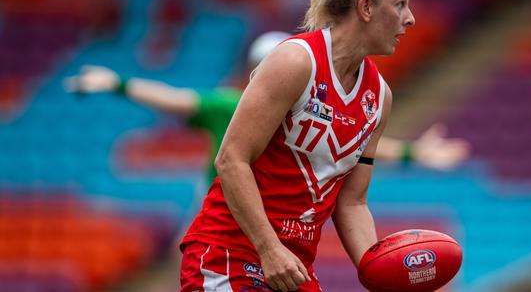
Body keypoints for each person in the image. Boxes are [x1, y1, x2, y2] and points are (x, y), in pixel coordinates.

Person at [175, 0, 425, 292]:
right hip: (230, 253)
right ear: (366, 8)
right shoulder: (295, 61)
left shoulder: (379, 97)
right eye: (400, 4)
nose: (411, 18)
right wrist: (269, 248)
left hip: (292, 269)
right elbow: (231, 159)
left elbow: (352, 202)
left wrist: (380, 274)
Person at [64, 38, 469, 188]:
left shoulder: (312, 111)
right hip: (229, 224)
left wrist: (416, 154)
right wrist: (116, 84)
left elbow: (355, 148)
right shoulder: (227, 105)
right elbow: (172, 98)